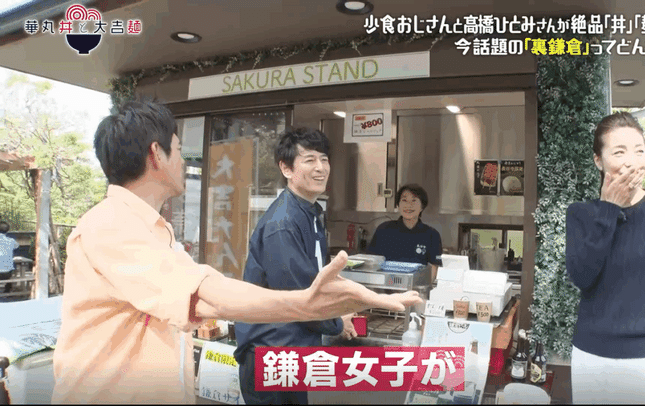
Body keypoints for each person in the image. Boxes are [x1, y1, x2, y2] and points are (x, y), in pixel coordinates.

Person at [51, 99, 422, 404]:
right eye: (178, 150)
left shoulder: (153, 229)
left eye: (324, 159)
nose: (184, 160)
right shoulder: (112, 225)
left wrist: (322, 306)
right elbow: (206, 295)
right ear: (156, 155)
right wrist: (315, 306)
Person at [565, 112, 645, 404]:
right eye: (619, 152)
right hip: (590, 359)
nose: (632, 161)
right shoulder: (581, 214)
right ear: (598, 161)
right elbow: (582, 276)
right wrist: (609, 210)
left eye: (639, 151)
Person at [233, 127, 356, 405]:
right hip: (271, 353)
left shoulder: (308, 212)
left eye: (324, 159)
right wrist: (337, 322)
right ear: (286, 168)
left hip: (292, 351)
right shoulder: (283, 223)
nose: (320, 168)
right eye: (309, 160)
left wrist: (338, 309)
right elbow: (300, 296)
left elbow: (313, 280)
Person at [366, 184, 443, 281]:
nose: (408, 205)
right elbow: (371, 262)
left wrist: (422, 286)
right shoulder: (384, 230)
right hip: (385, 286)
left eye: (414, 200)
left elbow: (434, 269)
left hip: (417, 287)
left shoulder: (432, 235)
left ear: (422, 206)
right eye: (404, 200)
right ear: (398, 205)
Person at [0, 221, 19, 294]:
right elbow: (16, 246)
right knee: (11, 270)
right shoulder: (11, 241)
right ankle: (7, 290)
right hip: (7, 273)